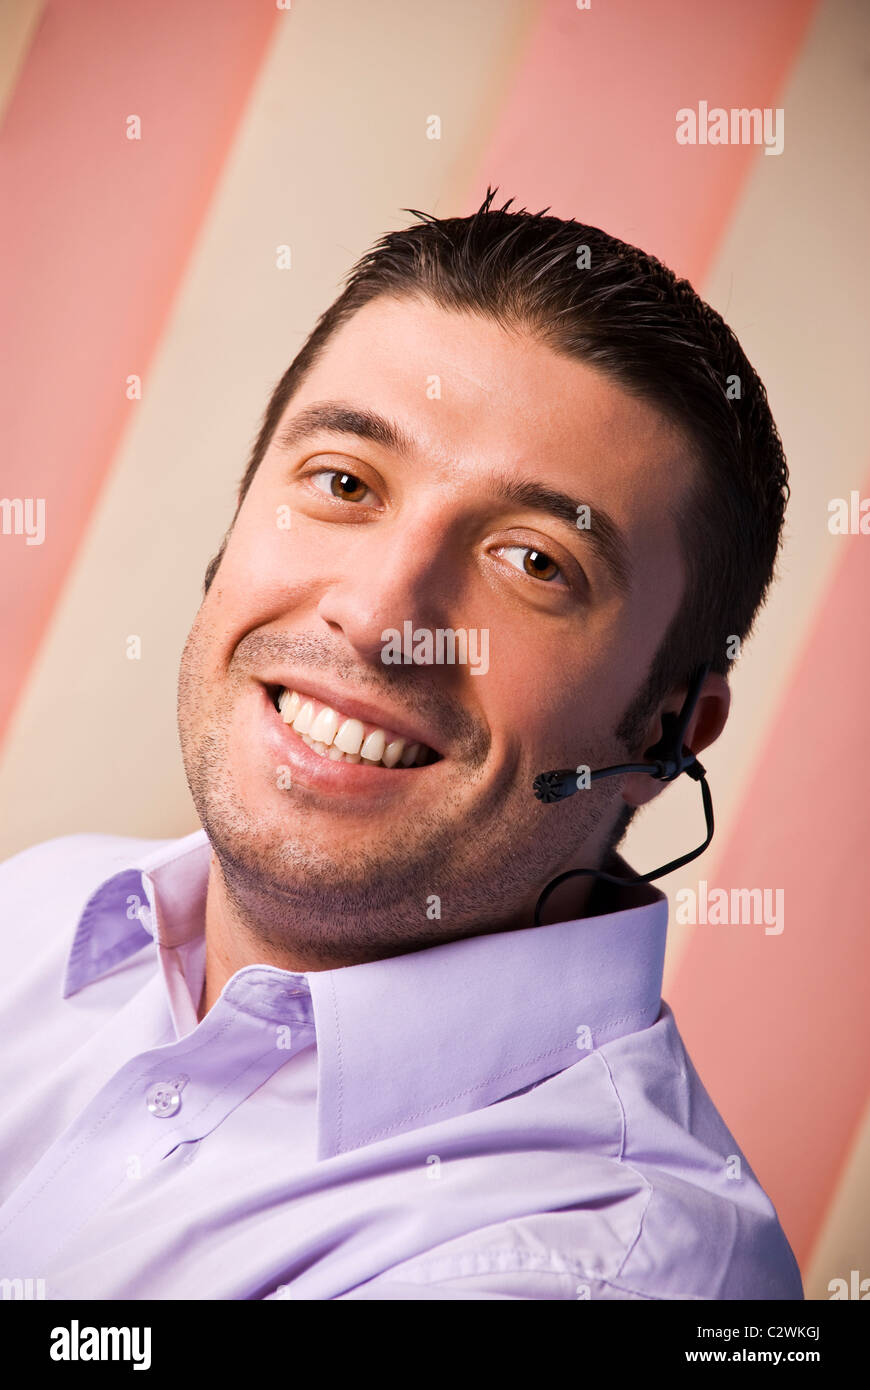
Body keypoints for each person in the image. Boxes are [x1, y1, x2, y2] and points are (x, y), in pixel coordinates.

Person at [0, 189, 802, 1300]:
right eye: (343, 483)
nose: (381, 615)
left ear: (666, 729)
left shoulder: (598, 1265)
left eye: (532, 561)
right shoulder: (37, 910)